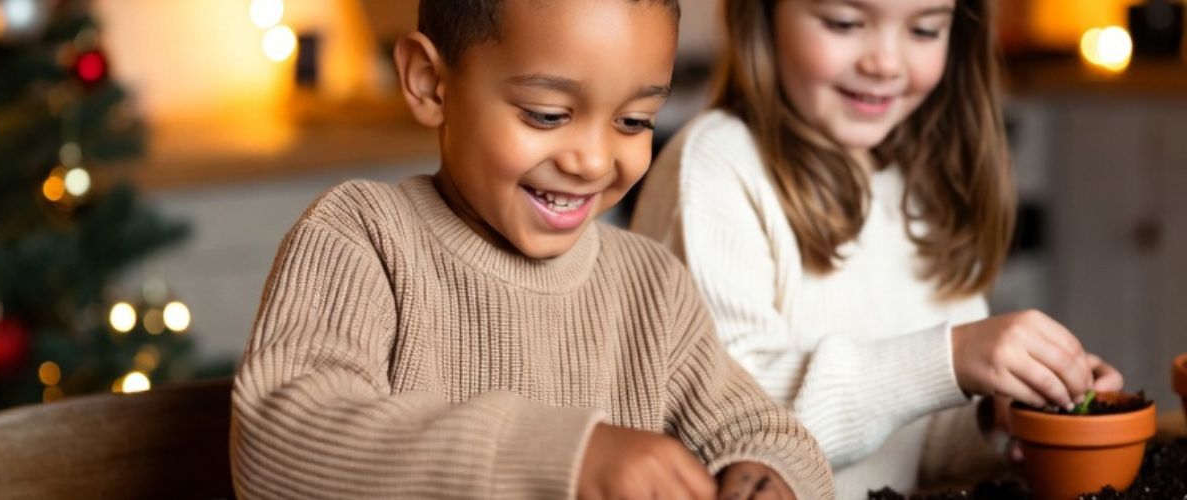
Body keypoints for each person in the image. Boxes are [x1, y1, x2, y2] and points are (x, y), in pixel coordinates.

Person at [229, 1, 836, 498]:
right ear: (429, 83)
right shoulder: (362, 237)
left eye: (634, 121)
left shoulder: (651, 287)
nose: (594, 160)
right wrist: (565, 457)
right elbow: (280, 437)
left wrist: (765, 475)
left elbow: (766, 434)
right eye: (547, 115)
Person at [630, 0, 1123, 497]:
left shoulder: (923, 184)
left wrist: (998, 415)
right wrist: (948, 358)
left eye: (926, 30)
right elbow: (724, 428)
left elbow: (911, 444)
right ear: (760, 14)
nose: (886, 63)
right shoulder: (715, 166)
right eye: (845, 23)